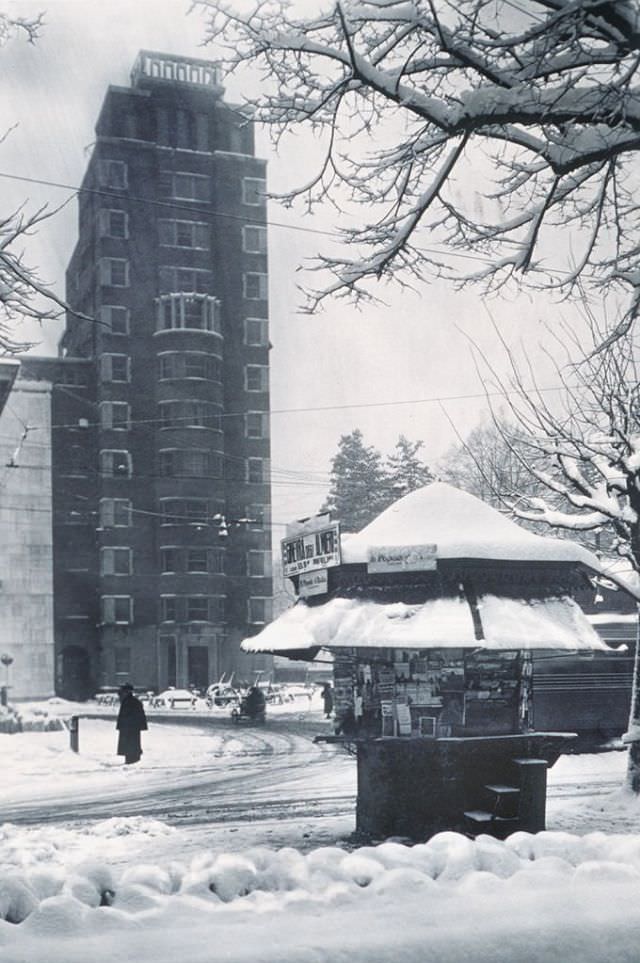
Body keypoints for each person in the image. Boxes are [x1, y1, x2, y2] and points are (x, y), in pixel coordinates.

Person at [116, 683, 148, 764]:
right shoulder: (132, 701)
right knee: (132, 745)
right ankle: (132, 758)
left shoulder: (128, 702)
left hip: (129, 727)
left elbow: (128, 715)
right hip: (132, 727)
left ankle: (131, 759)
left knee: (130, 745)